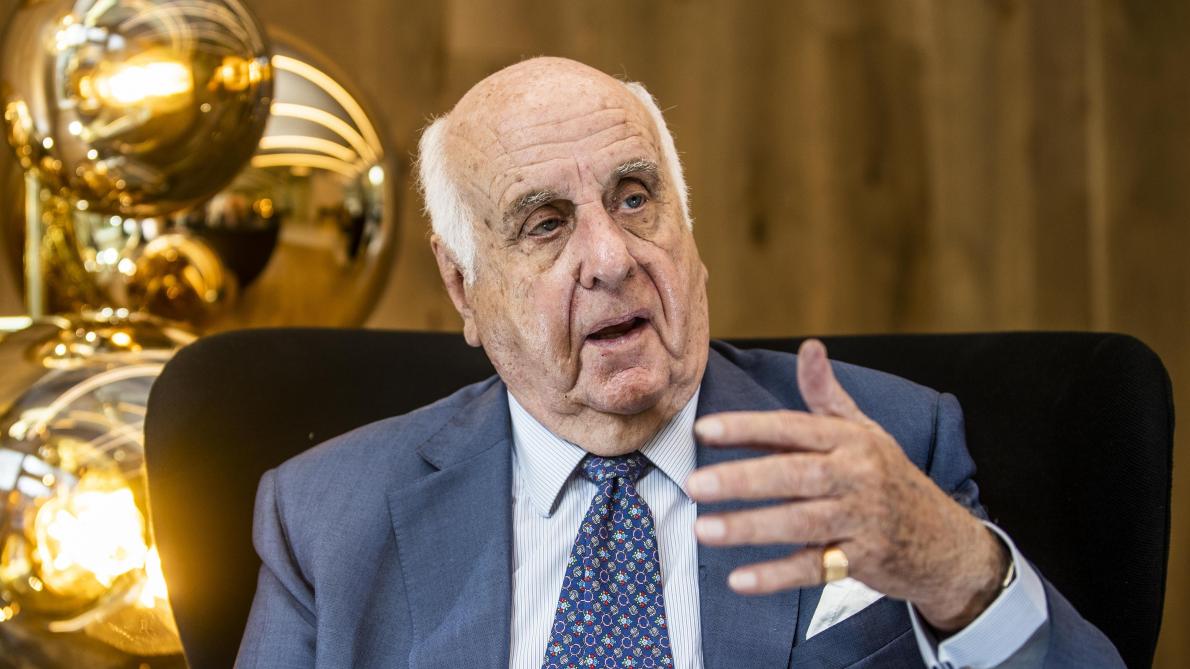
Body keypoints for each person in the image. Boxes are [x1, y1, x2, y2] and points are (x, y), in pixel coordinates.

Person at [235, 57, 1123, 668]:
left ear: (690, 234)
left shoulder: (888, 444)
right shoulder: (328, 517)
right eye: (545, 224)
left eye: (635, 199)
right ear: (464, 287)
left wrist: (955, 565)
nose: (611, 258)